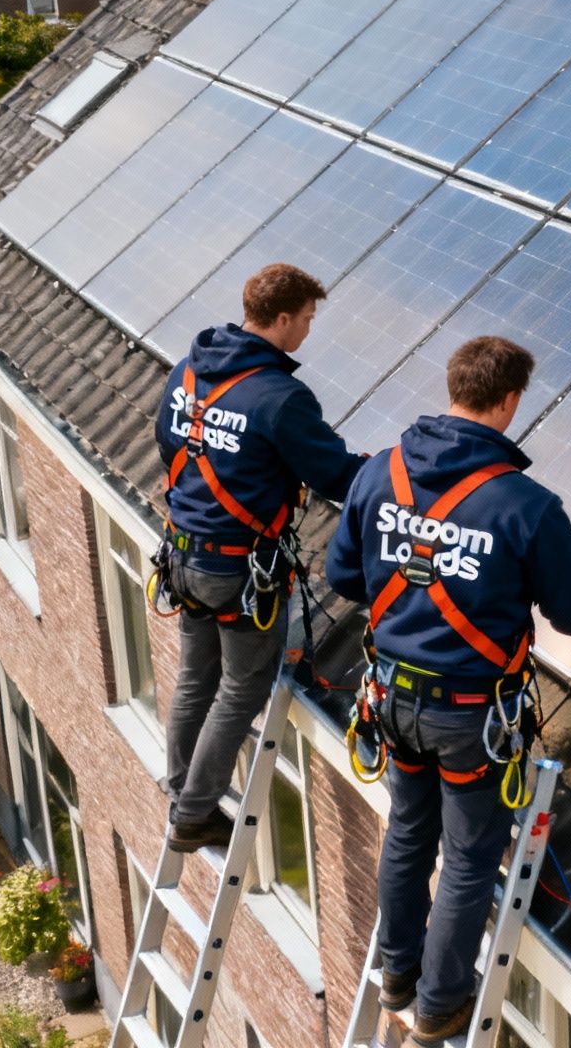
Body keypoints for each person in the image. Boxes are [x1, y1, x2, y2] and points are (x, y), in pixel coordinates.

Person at [326, 336, 571, 1045]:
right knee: (469, 856)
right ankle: (440, 1003)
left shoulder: (379, 473)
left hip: (392, 702)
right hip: (471, 719)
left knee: (409, 830)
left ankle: (397, 975)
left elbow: (343, 576)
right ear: (508, 401)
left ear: (454, 387)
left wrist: (408, 586)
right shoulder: (525, 506)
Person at [156, 263, 363, 853]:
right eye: (306, 320)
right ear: (279, 319)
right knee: (241, 688)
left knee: (195, 679)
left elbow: (170, 445)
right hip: (238, 571)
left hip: (184, 554)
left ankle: (179, 792)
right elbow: (335, 474)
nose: (307, 332)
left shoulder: (188, 371)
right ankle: (193, 814)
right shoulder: (280, 397)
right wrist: (391, 478)